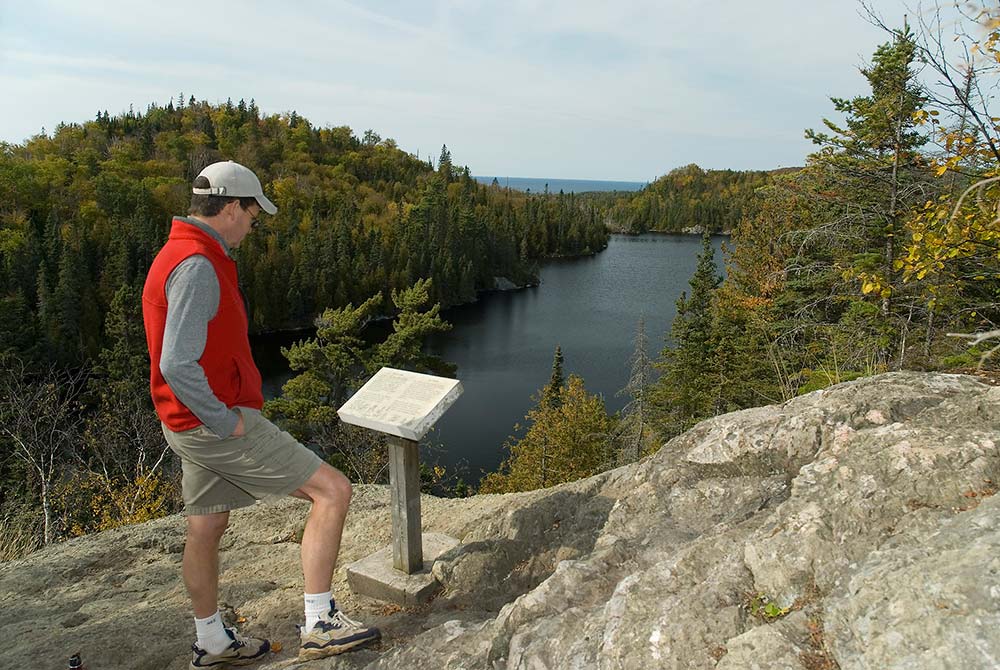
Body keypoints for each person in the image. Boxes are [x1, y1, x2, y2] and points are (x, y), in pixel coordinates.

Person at [142, 160, 380, 669]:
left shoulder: (179, 251)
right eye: (253, 215)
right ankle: (320, 623)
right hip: (212, 423)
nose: (253, 225)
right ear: (231, 207)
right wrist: (224, 420)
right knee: (332, 491)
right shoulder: (198, 266)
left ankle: (211, 641)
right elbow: (175, 363)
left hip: (182, 422)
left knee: (207, 524)